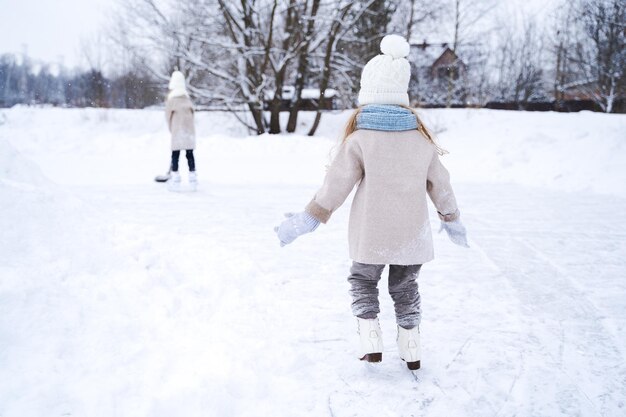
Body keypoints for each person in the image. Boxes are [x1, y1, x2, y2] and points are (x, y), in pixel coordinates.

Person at [274, 34, 469, 371]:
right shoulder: (420, 141)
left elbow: (335, 187)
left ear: (368, 98)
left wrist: (308, 219)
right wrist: (451, 219)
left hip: (371, 234)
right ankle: (411, 347)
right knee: (405, 286)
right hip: (412, 234)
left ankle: (370, 339)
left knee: (363, 280)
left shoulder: (360, 139)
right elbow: (442, 185)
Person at [165, 70, 197, 190]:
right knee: (190, 154)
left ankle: (175, 177)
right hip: (189, 131)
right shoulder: (187, 99)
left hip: (177, 131)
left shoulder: (171, 100)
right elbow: (193, 115)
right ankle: (192, 176)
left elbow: (167, 117)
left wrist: (172, 129)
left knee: (175, 154)